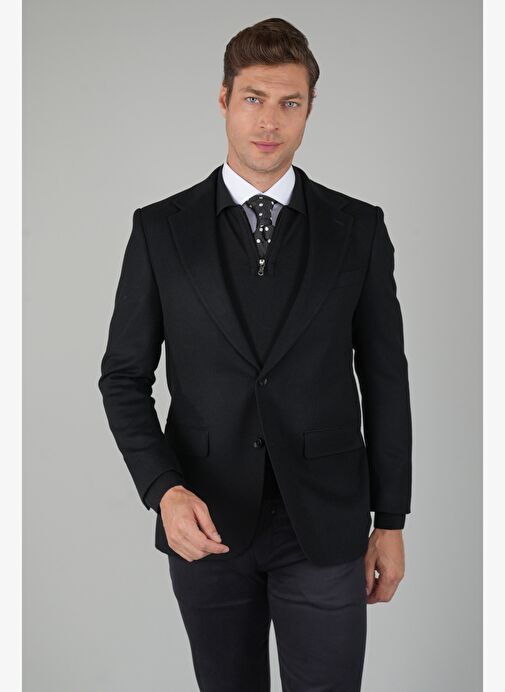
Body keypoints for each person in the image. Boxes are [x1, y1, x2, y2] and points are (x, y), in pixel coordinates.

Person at [98, 17, 412, 692]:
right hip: (205, 517)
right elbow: (122, 378)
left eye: (289, 102)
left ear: (309, 108)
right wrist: (163, 491)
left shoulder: (357, 229)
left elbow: (385, 379)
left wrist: (390, 521)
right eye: (253, 99)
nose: (269, 121)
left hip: (325, 523)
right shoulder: (160, 230)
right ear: (223, 99)